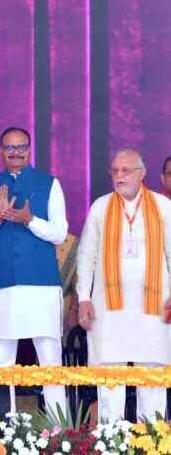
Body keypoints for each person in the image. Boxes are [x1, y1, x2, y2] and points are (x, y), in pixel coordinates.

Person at [0, 127, 68, 413]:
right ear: (1, 151)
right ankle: (1, 428)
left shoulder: (49, 183)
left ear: (29, 149)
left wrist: (29, 220)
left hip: (40, 284)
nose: (16, 152)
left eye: (21, 146)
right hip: (0, 285)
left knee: (50, 359)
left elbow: (59, 233)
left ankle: (59, 427)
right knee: (2, 361)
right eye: (9, 147)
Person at [77, 148, 171, 422]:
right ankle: (111, 439)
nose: (119, 175)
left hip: (153, 307)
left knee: (151, 376)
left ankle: (152, 438)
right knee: (110, 376)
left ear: (142, 173)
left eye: (126, 170)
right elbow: (86, 256)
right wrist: (83, 298)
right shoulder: (101, 206)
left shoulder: (163, 206)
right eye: (115, 170)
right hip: (108, 308)